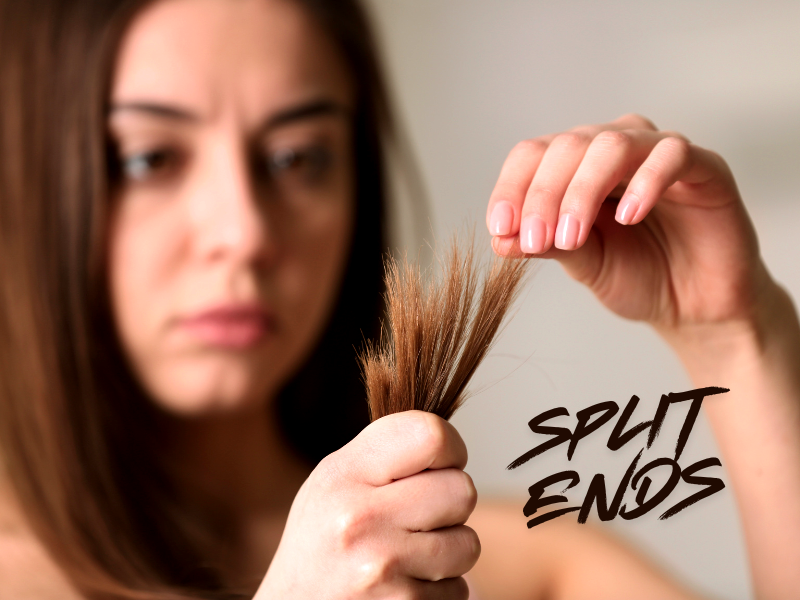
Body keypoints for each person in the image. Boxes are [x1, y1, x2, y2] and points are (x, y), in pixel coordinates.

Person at [0, 0, 798, 599]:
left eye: (296, 158)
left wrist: (734, 333)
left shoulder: (512, 565)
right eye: (149, 160)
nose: (242, 231)